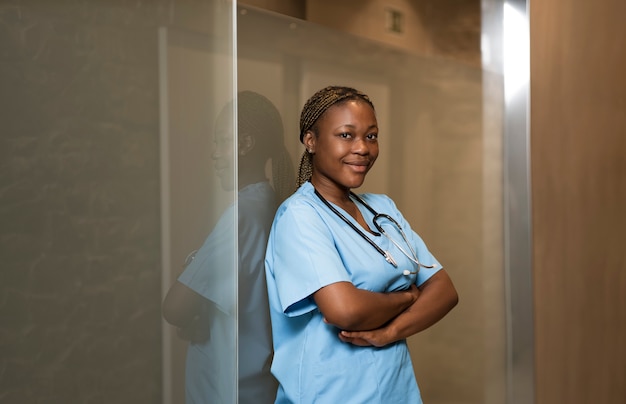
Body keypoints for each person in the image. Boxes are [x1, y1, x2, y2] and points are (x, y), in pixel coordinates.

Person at [264, 86, 458, 403]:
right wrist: (409, 297)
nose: (362, 148)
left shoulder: (382, 209)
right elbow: (346, 311)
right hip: (330, 394)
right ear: (310, 141)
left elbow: (445, 291)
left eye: (371, 136)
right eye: (346, 135)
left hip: (396, 390)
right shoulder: (299, 217)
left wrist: (389, 332)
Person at [162, 91, 293, 403]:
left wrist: (194, 310)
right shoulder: (272, 206)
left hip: (232, 392)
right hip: (261, 386)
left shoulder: (242, 215)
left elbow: (175, 308)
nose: (214, 153)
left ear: (244, 144)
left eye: (221, 140)